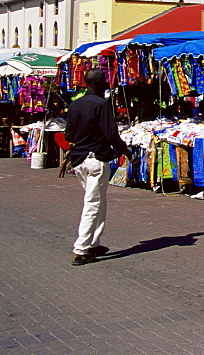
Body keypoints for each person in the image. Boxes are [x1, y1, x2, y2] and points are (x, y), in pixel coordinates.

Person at [65, 69, 132, 265]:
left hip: (79, 160)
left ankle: (94, 243)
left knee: (98, 201)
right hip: (96, 159)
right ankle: (81, 248)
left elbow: (69, 135)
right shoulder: (101, 105)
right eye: (104, 81)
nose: (106, 84)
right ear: (97, 82)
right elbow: (111, 135)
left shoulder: (76, 104)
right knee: (93, 204)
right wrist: (127, 153)